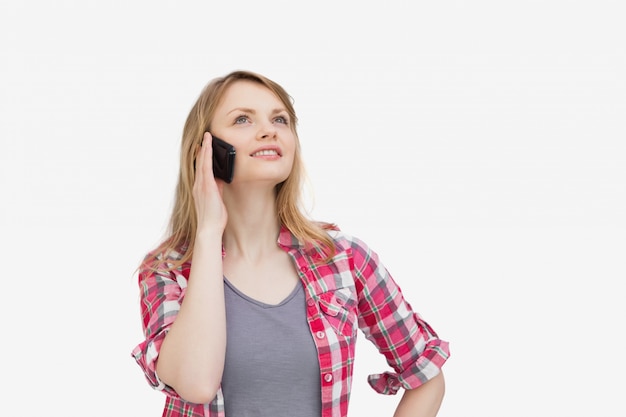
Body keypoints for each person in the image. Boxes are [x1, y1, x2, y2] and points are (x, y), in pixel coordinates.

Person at [131, 70, 451, 417]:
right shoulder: (167, 271)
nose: (269, 130)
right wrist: (208, 233)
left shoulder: (345, 258)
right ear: (206, 152)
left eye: (280, 119)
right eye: (242, 119)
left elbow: (426, 374)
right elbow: (196, 384)